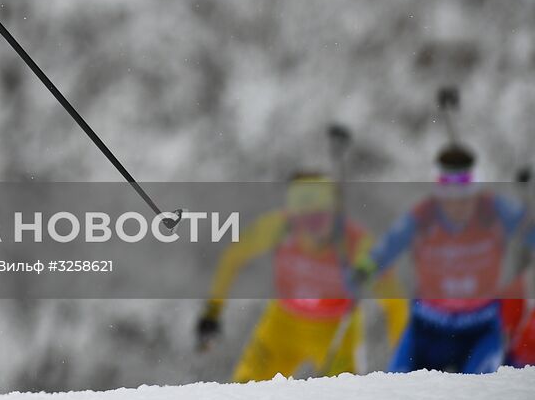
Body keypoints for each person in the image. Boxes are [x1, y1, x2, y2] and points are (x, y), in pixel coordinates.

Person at [195, 173, 407, 380]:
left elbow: (394, 302)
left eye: (320, 216)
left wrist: (405, 363)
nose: (312, 227)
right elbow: (233, 256)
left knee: (343, 396)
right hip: (283, 324)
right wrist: (212, 311)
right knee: (244, 389)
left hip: (335, 330)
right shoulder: (280, 227)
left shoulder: (355, 243)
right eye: (304, 217)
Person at [352, 145, 535, 374]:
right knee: (395, 388)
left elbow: (530, 231)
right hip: (427, 331)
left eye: (464, 198)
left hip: (480, 331)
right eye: (449, 199)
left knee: (481, 393)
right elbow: (389, 245)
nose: (456, 207)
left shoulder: (494, 209)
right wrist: (364, 270)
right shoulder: (424, 214)